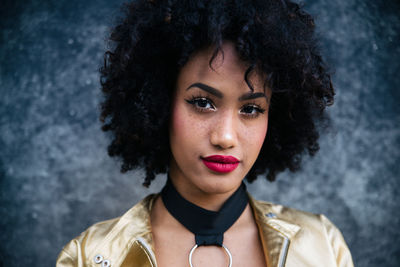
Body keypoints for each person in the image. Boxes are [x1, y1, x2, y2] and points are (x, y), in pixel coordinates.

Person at [57, 0, 354, 266]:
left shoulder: (323, 246)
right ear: (157, 103)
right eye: (203, 103)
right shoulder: (90, 255)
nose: (225, 137)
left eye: (251, 109)